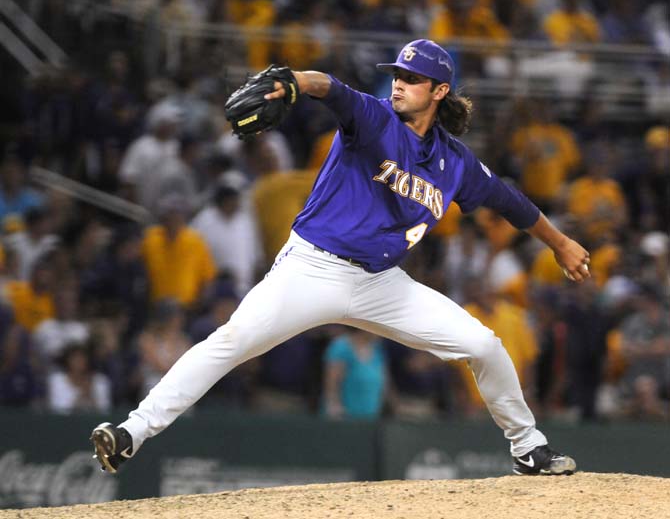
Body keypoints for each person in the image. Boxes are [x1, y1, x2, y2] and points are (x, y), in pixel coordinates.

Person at [91, 39, 591, 476]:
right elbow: (328, 86)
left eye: (412, 79)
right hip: (312, 267)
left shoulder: (454, 161)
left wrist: (561, 243)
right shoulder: (374, 120)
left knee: (483, 345)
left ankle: (528, 448)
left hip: (382, 282)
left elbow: (511, 202)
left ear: (439, 92)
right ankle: (133, 432)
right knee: (233, 340)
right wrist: (290, 81)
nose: (398, 85)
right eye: (397, 75)